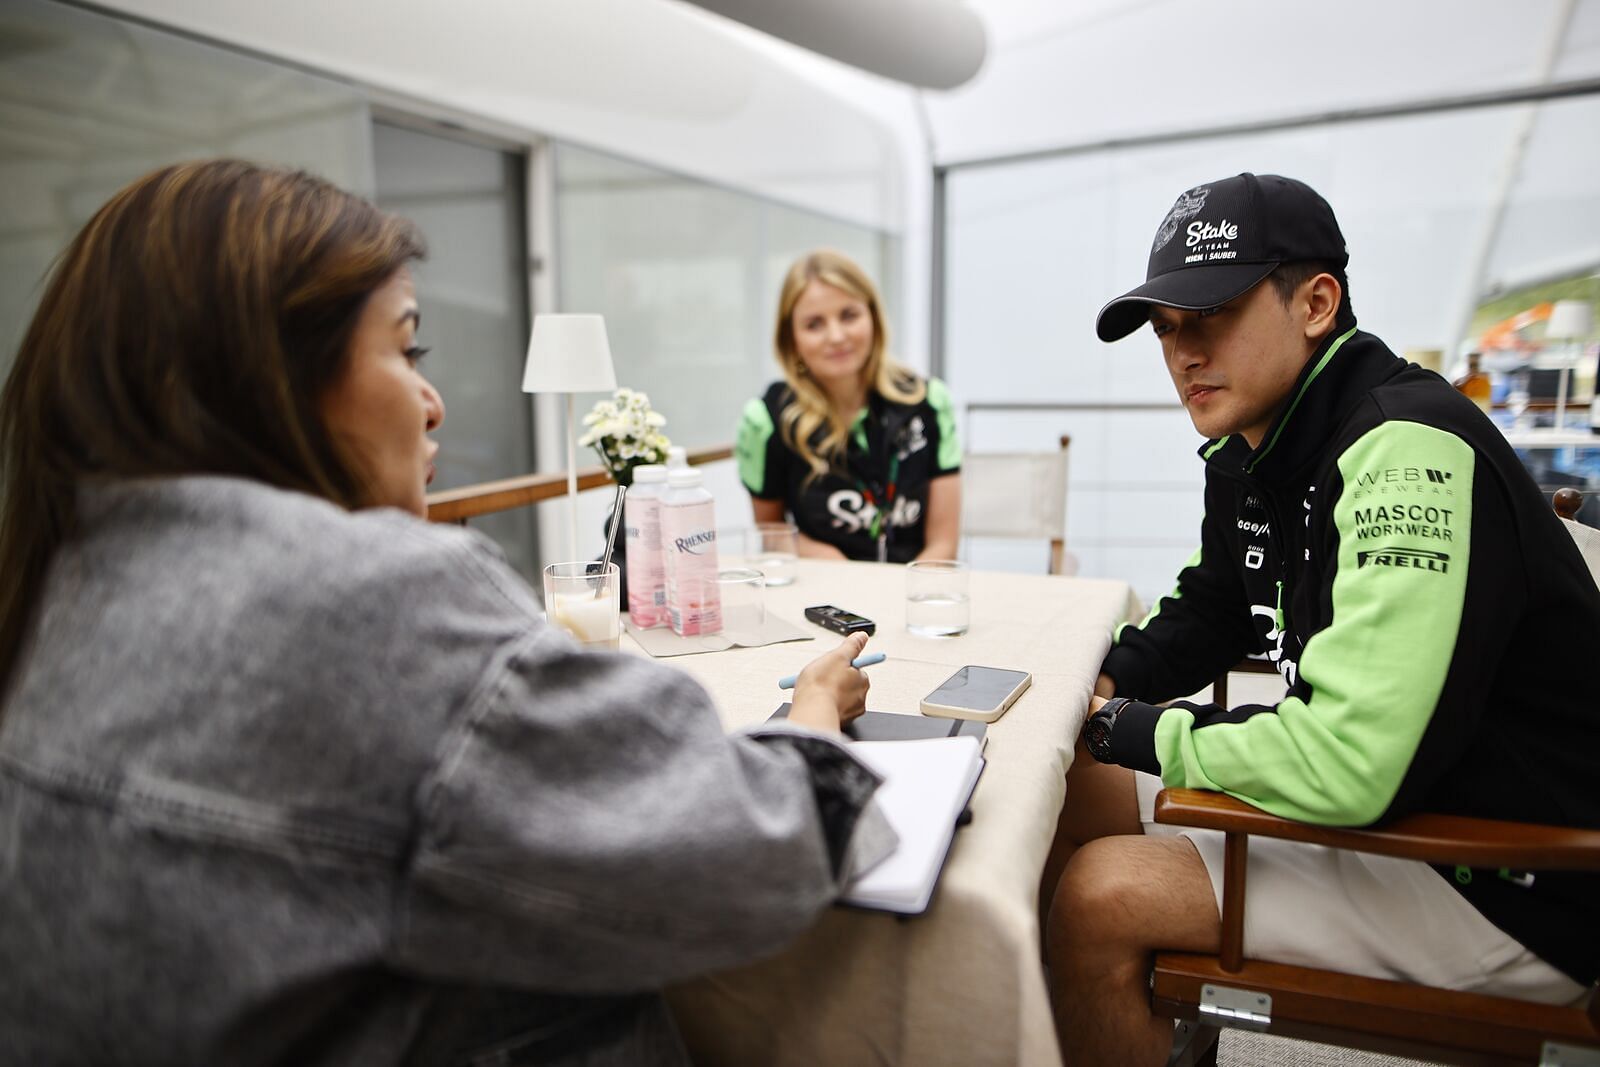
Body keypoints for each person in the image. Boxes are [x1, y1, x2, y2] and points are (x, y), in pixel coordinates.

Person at [0, 160, 895, 1066]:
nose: (432, 403)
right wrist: (815, 710)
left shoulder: (56, 585)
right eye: (406, 348)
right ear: (268, 374)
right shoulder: (374, 601)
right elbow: (763, 847)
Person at [1043, 172, 1600, 1064]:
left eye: (1209, 315)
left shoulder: (1404, 449)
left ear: (1316, 302)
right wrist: (1106, 683)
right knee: (1057, 784)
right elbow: (1217, 605)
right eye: (1166, 328)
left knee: (1099, 896)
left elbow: (1349, 761)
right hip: (1412, 804)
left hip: (1510, 873)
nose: (1183, 352)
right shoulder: (1252, 446)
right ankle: (1131, 1027)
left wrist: (1139, 729)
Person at [736, 249, 962, 563]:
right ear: (792, 339)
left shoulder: (929, 403)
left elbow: (943, 545)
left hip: (913, 593)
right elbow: (770, 533)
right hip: (825, 599)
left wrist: (909, 595)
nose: (836, 336)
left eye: (849, 315)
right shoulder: (765, 421)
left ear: (873, 318)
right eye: (814, 324)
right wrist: (824, 558)